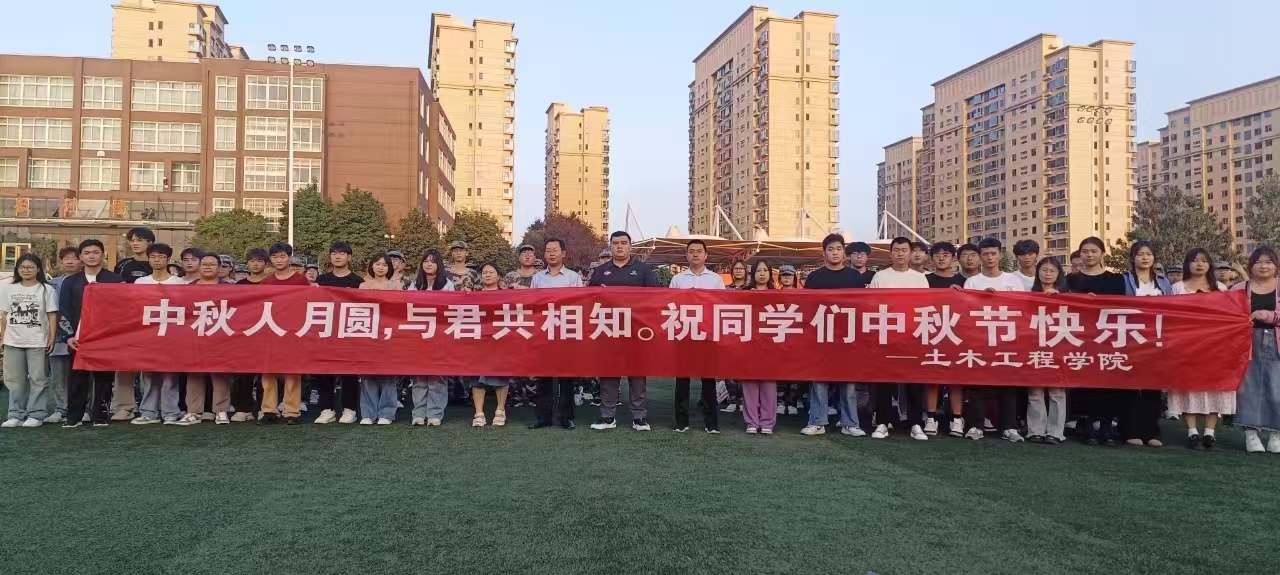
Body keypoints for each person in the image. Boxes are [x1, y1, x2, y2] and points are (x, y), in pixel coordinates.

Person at [588, 231, 658, 432]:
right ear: (610, 246)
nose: (619, 246)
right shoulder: (600, 271)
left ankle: (639, 417)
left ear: (630, 246)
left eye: (624, 243)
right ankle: (607, 416)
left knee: (637, 374)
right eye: (615, 243)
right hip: (608, 329)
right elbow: (589, 299)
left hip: (637, 330)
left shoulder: (643, 270)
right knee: (609, 374)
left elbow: (654, 299)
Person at [960, 238, 1026, 442]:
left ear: (999, 255)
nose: (989, 258)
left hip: (1007, 339)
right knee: (978, 385)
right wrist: (982, 298)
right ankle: (976, 426)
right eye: (985, 254)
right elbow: (966, 309)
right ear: (980, 257)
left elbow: (1022, 307)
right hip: (980, 339)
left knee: (1008, 384)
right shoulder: (972, 282)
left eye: (993, 254)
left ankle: (1009, 427)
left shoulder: (1013, 280)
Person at [799, 233, 863, 437]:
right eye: (830, 249)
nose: (835, 253)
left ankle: (850, 423)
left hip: (847, 336)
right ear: (824, 253)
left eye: (838, 249)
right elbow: (807, 307)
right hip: (821, 336)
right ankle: (817, 421)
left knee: (848, 382)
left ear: (844, 252)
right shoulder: (815, 277)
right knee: (819, 381)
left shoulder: (854, 277)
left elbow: (862, 306)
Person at [867, 237, 931, 441]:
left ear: (910, 253)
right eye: (896, 250)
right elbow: (872, 306)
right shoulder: (880, 276)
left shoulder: (920, 279)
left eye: (904, 250)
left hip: (912, 336)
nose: (900, 254)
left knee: (914, 383)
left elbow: (925, 307)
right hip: (886, 336)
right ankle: (882, 422)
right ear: (891, 253)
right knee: (885, 383)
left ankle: (916, 423)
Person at [1169, 248, 1232, 449]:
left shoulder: (1220, 288)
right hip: (1186, 345)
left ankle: (1210, 432)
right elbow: (1170, 315)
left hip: (1215, 346)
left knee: (1214, 388)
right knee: (1188, 387)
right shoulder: (1177, 287)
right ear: (1187, 264)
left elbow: (1229, 315)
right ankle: (1192, 431)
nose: (1199, 264)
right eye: (1195, 260)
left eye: (1204, 261)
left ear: (1209, 265)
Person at [1067, 237, 1127, 446]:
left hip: (1107, 335)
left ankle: (1107, 426)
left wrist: (1098, 303)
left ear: (1102, 253)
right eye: (1085, 251)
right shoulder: (1071, 279)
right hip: (1080, 337)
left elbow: (1121, 306)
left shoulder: (1116, 279)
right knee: (1085, 381)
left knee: (1107, 381)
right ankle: (1087, 425)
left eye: (1093, 251)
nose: (1089, 255)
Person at [60, 239, 124, 427]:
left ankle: (101, 415)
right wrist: (68, 336)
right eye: (87, 253)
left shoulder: (115, 280)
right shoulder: (70, 282)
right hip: (78, 338)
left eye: (96, 252)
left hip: (106, 337)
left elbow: (124, 308)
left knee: (104, 377)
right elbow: (63, 310)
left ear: (103, 255)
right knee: (77, 377)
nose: (91, 256)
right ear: (81, 257)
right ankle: (74, 417)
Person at [669, 239, 726, 434]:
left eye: (699, 251)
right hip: (684, 334)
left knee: (708, 380)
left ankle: (711, 423)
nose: (695, 254)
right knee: (682, 380)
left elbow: (722, 304)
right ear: (686, 255)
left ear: (706, 255)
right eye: (691, 251)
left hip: (707, 335)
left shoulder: (715, 279)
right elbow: (670, 305)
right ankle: (681, 421)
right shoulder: (678, 279)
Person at [529, 238, 584, 430]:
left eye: (555, 250)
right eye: (548, 250)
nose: (551, 253)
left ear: (564, 253)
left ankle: (566, 417)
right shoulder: (537, 278)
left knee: (566, 377)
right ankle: (543, 417)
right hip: (544, 330)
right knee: (543, 377)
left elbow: (580, 303)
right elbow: (532, 304)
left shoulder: (573, 277)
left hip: (566, 330)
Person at [1119, 240, 1170, 448]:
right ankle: (1130, 430)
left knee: (1152, 387)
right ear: (1133, 258)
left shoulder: (1163, 282)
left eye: (1149, 254)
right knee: (1130, 386)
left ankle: (1151, 431)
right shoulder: (1123, 280)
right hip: (1129, 338)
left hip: (1156, 339)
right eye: (1140, 254)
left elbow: (1174, 309)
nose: (1145, 258)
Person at [129, 243, 186, 426]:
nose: (156, 260)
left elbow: (185, 307)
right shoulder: (141, 282)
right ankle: (149, 412)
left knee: (170, 374)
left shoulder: (179, 283)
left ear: (168, 259)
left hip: (172, 332)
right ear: (148, 259)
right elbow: (134, 307)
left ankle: (170, 412)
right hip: (148, 332)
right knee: (148, 372)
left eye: (161, 256)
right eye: (153, 256)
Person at [175, 253, 233, 425]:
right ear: (200, 267)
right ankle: (193, 411)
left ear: (219, 268)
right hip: (194, 336)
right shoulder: (187, 289)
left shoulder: (231, 289)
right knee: (194, 373)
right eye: (204, 264)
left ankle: (221, 411)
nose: (207, 267)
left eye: (212, 264)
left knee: (220, 374)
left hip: (220, 336)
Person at [1, 253, 58, 428]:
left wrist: (52, 338)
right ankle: (15, 414)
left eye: (30, 267)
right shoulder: (8, 288)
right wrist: (3, 337)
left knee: (38, 379)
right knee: (14, 379)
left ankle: (36, 414)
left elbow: (52, 315)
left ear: (38, 269)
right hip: (13, 341)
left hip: (38, 341)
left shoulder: (46, 289)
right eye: (22, 267)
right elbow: (4, 315)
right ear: (17, 269)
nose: (26, 270)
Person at [1232, 246, 1280, 453]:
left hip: (1275, 341)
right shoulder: (1239, 288)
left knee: (1276, 389)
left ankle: (1275, 434)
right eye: (1258, 262)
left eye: (1269, 262)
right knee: (1247, 389)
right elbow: (1228, 313)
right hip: (1246, 343)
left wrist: (1267, 315)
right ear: (1251, 266)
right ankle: (1251, 434)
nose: (1263, 266)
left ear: (1276, 266)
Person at [258, 242, 310, 425]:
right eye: (275, 257)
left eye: (282, 256)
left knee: (292, 372)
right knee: (268, 372)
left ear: (290, 258)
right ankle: (269, 410)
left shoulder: (300, 281)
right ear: (270, 259)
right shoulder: (266, 282)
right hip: (270, 330)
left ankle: (291, 411)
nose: (279, 260)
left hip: (293, 331)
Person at [313, 241, 365, 424]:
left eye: (342, 253)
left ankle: (349, 409)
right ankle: (327, 409)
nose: (337, 256)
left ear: (349, 257)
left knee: (349, 372)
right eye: (334, 253)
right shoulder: (321, 280)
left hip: (349, 331)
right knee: (324, 370)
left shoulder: (358, 282)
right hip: (326, 330)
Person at [408, 249, 454, 426]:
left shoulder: (447, 285)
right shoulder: (415, 284)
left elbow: (451, 309)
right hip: (418, 335)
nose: (428, 264)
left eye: (433, 262)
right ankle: (418, 412)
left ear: (439, 265)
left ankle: (435, 413)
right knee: (419, 376)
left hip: (440, 335)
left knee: (437, 376)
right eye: (426, 261)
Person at [924, 242, 966, 436]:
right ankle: (930, 418)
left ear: (953, 258)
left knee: (956, 379)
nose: (941, 258)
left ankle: (957, 419)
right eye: (937, 255)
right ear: (931, 258)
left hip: (956, 335)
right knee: (932, 378)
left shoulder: (963, 282)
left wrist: (960, 295)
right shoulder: (924, 280)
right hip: (930, 333)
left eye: (946, 254)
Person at [1027, 257, 1069, 444]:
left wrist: (1059, 297)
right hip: (1035, 347)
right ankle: (1035, 430)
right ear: (1038, 272)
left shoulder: (1068, 295)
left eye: (1052, 270)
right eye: (1044, 270)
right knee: (1035, 390)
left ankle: (1055, 432)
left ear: (1059, 273)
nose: (1048, 274)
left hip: (1059, 346)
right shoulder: (1029, 294)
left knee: (1057, 391)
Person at [356, 253, 401, 425]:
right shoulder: (363, 286)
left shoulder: (397, 286)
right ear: (372, 266)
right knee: (368, 373)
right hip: (368, 332)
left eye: (384, 264)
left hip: (389, 332)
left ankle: (386, 413)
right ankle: (368, 413)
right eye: (377, 264)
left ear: (389, 268)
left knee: (388, 373)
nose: (380, 267)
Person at [735, 259, 780, 434]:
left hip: (770, 345)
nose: (762, 274)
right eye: (758, 271)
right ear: (753, 274)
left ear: (770, 274)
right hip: (749, 344)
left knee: (769, 385)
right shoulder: (744, 293)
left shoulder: (778, 294)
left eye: (765, 270)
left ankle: (767, 422)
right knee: (749, 384)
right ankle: (752, 422)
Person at [469, 262, 511, 427]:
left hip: (500, 340)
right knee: (477, 377)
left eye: (491, 272)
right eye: (484, 272)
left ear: (498, 276)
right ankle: (479, 413)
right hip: (478, 340)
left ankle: (500, 410)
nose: (487, 274)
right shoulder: (473, 295)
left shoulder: (508, 295)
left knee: (501, 374)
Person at [43, 247, 82, 424]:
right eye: (66, 258)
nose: (70, 261)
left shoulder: (87, 281)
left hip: (80, 335)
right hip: (57, 336)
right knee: (58, 376)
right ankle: (61, 409)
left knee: (81, 375)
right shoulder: (51, 284)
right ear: (60, 261)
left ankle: (84, 408)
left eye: (74, 258)